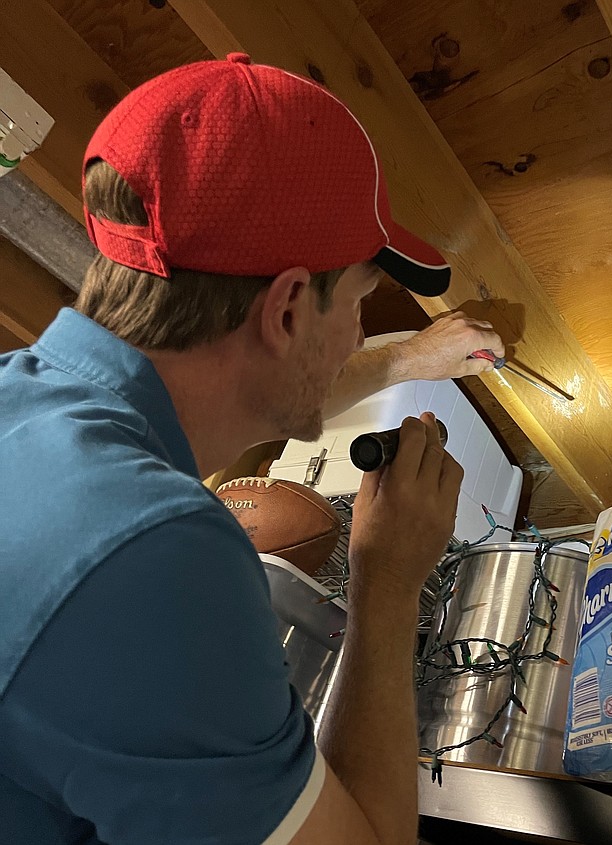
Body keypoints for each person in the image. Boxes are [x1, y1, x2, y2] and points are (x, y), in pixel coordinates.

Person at [0, 54, 504, 845]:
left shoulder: (29, 400)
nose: (362, 333)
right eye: (363, 304)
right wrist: (390, 581)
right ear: (289, 307)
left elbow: (245, 383)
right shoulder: (150, 555)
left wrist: (407, 360)